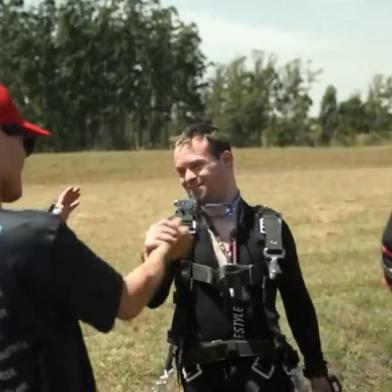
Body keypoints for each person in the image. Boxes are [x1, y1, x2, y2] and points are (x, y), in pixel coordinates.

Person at [0, 83, 191, 391]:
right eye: (27, 141)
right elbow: (127, 301)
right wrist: (164, 251)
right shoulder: (35, 238)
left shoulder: (31, 237)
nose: (25, 153)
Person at [145, 123, 334, 392]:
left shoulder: (269, 228)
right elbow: (153, 300)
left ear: (227, 159)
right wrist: (150, 255)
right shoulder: (178, 229)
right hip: (202, 377)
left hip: (264, 375)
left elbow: (298, 303)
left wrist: (317, 372)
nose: (187, 177)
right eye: (180, 171)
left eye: (196, 166)